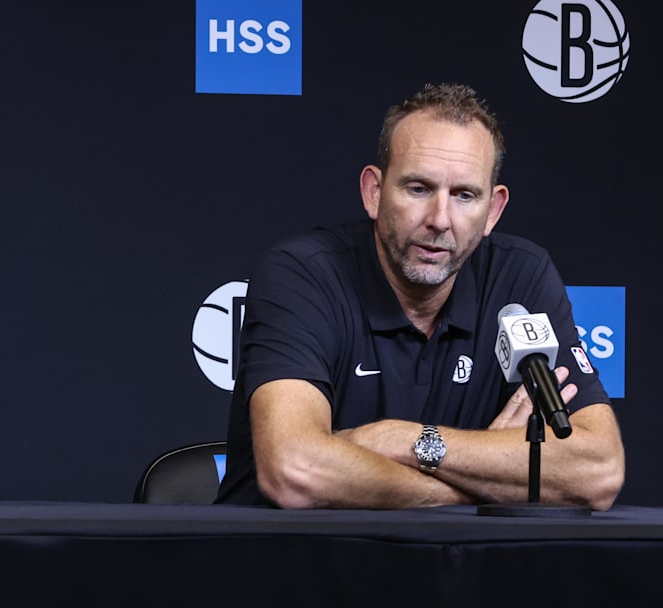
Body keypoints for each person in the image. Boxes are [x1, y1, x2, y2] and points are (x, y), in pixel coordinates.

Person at [214, 83, 624, 510]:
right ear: (374, 192)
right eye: (418, 188)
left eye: (465, 195)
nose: (440, 220)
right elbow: (296, 471)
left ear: (493, 211)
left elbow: (598, 473)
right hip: (288, 569)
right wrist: (481, 484)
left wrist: (406, 441)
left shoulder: (521, 276)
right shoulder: (302, 273)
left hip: (448, 574)